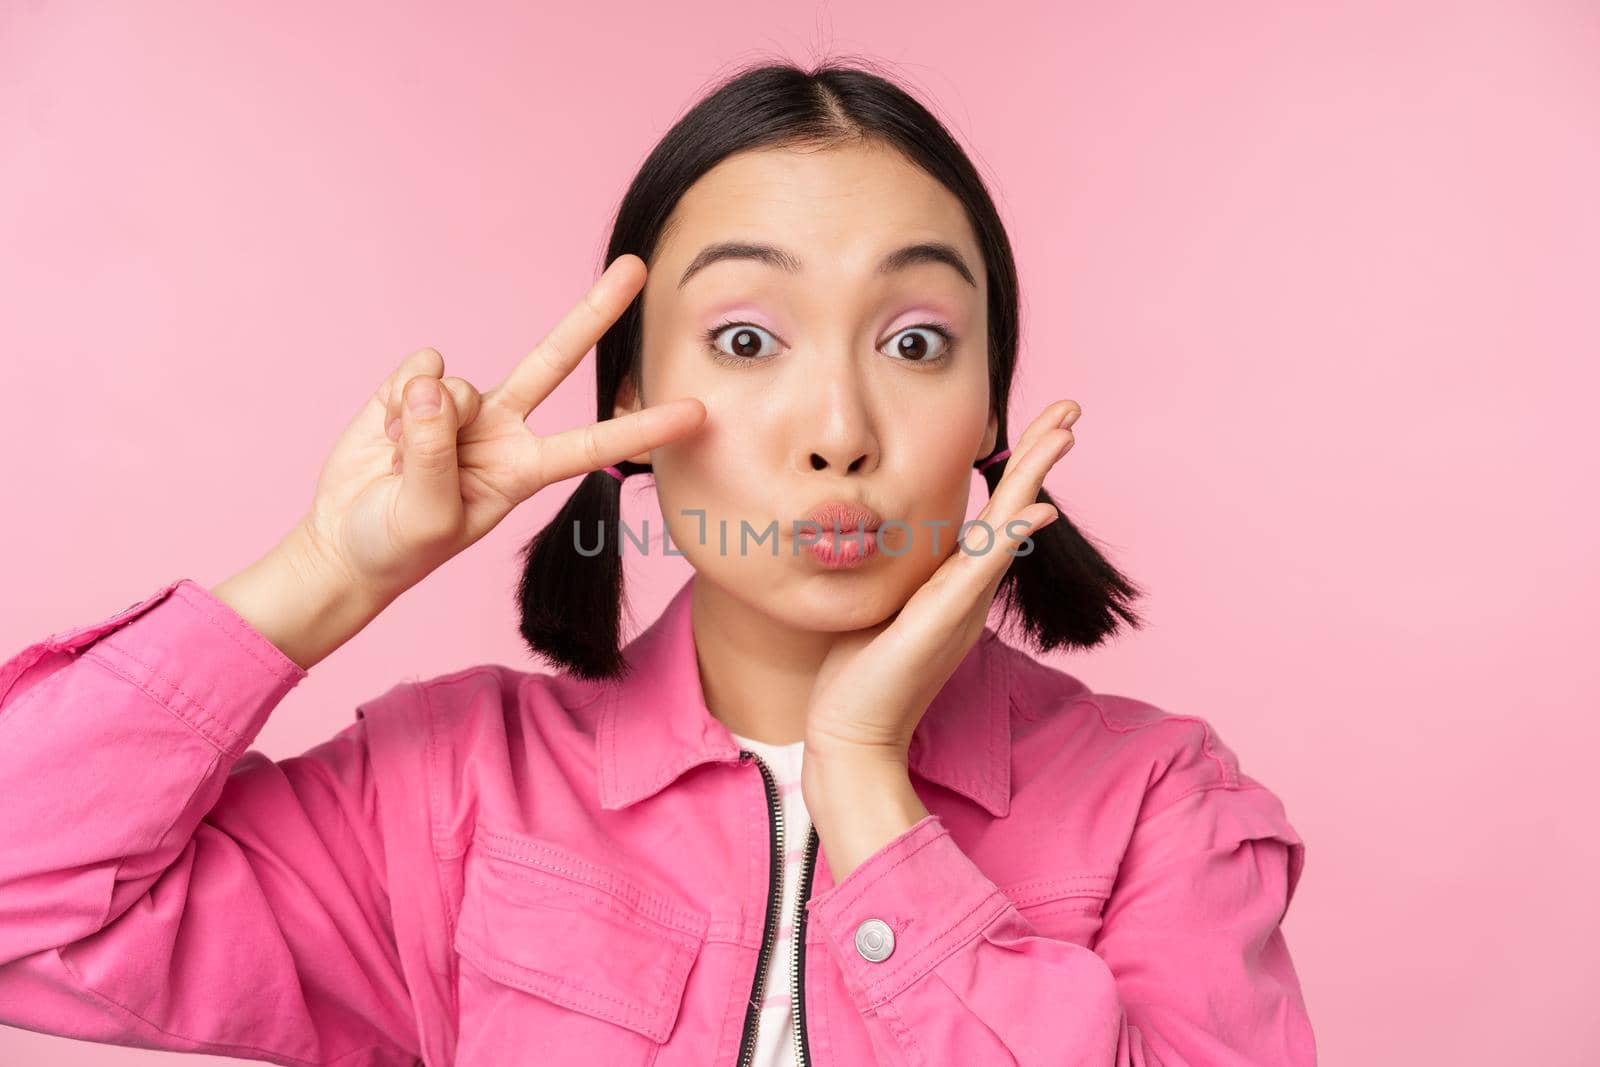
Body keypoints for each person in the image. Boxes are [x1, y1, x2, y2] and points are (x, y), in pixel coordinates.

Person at [0, 60, 1315, 1066]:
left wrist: (867, 792)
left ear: (987, 409)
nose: (840, 434)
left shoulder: (1160, 809)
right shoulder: (452, 796)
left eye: (914, 343)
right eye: (749, 342)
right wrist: (329, 571)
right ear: (627, 398)